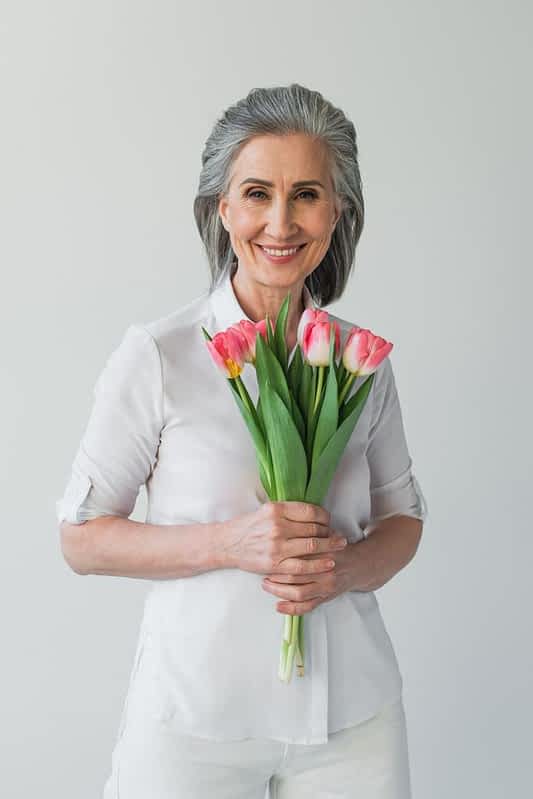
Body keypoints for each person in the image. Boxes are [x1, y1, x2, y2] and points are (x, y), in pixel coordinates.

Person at [57, 83, 428, 799]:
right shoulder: (159, 355)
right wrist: (230, 543)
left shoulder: (361, 360)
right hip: (193, 720)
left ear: (337, 210)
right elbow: (80, 537)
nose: (280, 222)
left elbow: (403, 519)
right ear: (221, 208)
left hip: (353, 719)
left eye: (307, 194)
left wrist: (343, 570)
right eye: (256, 193)